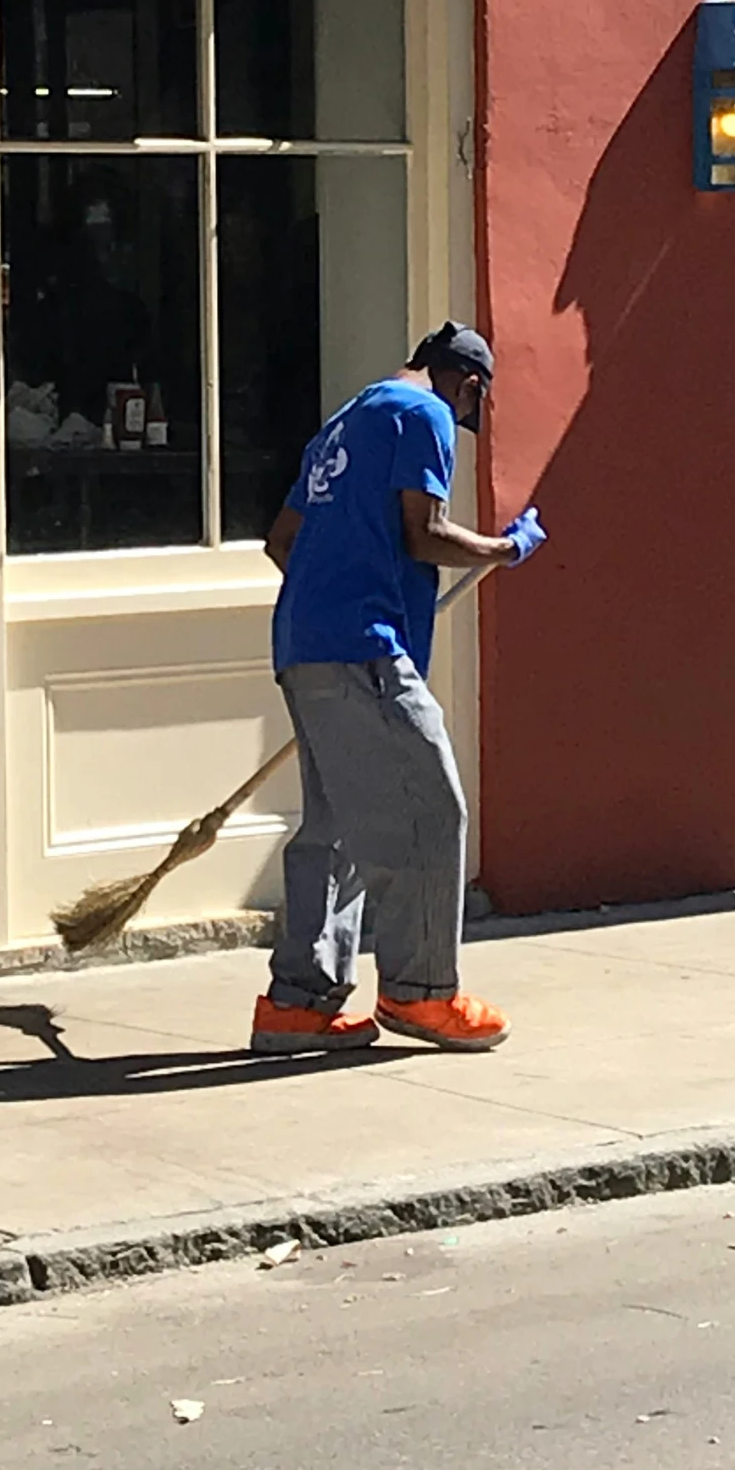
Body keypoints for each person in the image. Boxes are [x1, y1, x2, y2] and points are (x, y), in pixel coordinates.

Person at [254, 321, 547, 1056]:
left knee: (337, 829)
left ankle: (299, 1003)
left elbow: (281, 542)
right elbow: (425, 532)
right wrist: (505, 549)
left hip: (306, 644)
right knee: (430, 806)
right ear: (469, 385)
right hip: (366, 650)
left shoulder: (342, 426)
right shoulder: (425, 416)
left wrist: (335, 592)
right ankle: (421, 992)